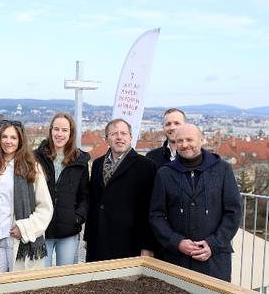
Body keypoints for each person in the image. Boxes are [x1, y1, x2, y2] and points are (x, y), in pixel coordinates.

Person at [149, 123, 242, 281]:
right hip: (176, 260)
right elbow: (156, 215)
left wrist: (213, 244)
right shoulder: (165, 173)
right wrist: (176, 242)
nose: (184, 145)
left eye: (189, 140)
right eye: (179, 141)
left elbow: (233, 212)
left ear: (201, 140)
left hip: (215, 261)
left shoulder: (222, 169)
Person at [0, 119, 53, 274]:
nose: (8, 141)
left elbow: (45, 209)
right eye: (4, 136)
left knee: (19, 287)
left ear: (20, 140)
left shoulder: (32, 168)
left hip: (18, 240)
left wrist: (24, 228)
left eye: (13, 137)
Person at [84, 118, 157, 262]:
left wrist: (147, 246)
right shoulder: (98, 164)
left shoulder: (146, 166)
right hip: (98, 239)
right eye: (114, 134)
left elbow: (150, 208)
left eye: (124, 133)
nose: (119, 137)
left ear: (130, 137)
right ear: (107, 139)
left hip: (129, 242)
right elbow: (93, 202)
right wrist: (88, 236)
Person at [34, 112, 89, 267]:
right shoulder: (35, 157)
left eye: (64, 130)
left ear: (71, 133)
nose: (60, 134)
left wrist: (77, 218)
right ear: (51, 130)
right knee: (40, 276)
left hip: (68, 231)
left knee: (66, 277)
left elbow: (85, 196)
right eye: (56, 129)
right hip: (41, 230)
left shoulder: (80, 161)